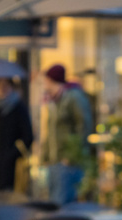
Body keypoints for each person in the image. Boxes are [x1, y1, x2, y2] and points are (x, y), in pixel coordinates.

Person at [41, 64, 93, 204]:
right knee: (53, 204)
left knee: (63, 205)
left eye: (46, 81)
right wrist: (45, 157)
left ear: (52, 81)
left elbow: (84, 127)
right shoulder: (54, 101)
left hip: (67, 162)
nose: (44, 85)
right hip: (54, 161)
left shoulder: (73, 98)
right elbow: (50, 132)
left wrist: (70, 156)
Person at [0, 78, 33, 191]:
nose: (2, 89)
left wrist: (11, 155)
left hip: (13, 165)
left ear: (12, 87)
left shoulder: (19, 107)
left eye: (5, 86)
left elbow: (28, 136)